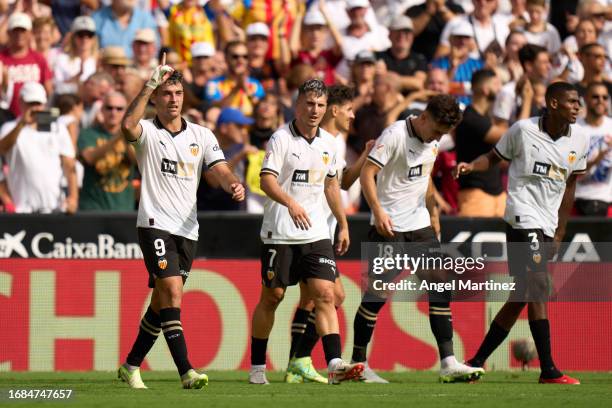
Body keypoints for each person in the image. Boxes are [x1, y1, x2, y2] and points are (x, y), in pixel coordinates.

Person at [118, 63, 245, 389]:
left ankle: (131, 365)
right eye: (166, 94)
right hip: (154, 223)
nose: (173, 99)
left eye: (177, 93)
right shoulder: (148, 131)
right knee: (172, 290)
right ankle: (186, 371)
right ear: (157, 99)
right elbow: (127, 125)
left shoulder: (201, 135)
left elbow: (219, 169)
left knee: (163, 302)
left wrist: (232, 183)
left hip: (188, 229)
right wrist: (148, 85)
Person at [456, 82, 587, 385]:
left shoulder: (579, 140)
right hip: (521, 216)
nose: (577, 107)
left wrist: (560, 231)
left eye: (578, 103)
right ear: (553, 104)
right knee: (539, 285)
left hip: (547, 223)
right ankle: (549, 369)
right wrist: (470, 167)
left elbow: (570, 186)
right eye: (571, 102)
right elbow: (493, 156)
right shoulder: (523, 130)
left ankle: (476, 361)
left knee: (522, 294)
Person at [353, 94, 484, 383]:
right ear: (423, 117)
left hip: (420, 224)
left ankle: (449, 362)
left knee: (439, 285)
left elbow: (424, 180)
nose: (438, 137)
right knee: (377, 295)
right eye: (437, 130)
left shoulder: (432, 141)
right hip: (389, 226)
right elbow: (367, 174)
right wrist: (378, 211)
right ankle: (358, 365)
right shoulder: (395, 135)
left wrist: (433, 215)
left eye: (443, 133)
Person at [249, 79, 363, 385]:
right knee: (272, 297)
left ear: (326, 108)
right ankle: (257, 367)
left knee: (326, 294)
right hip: (281, 232)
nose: (314, 110)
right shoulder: (281, 139)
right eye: (309, 103)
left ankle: (335, 363)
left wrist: (342, 221)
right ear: (298, 104)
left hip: (315, 234)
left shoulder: (329, 143)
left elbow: (330, 185)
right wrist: (290, 203)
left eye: (320, 105)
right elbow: (266, 181)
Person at [284, 84, 375, 384]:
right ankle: (301, 360)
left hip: (321, 229)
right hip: (304, 231)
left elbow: (343, 182)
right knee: (331, 295)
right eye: (349, 110)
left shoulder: (334, 143)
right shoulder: (322, 141)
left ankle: (298, 362)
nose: (352, 116)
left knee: (315, 298)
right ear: (334, 110)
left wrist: (364, 156)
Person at [0, 82, 77, 214]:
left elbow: (69, 166)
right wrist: (22, 124)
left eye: (38, 103)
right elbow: (2, 149)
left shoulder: (58, 128)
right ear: (20, 102)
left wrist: (73, 198)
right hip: (21, 209)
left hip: (54, 208)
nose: (35, 108)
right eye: (31, 103)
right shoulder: (9, 127)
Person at [455, 69, 507, 217]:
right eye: (496, 84)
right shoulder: (470, 118)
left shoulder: (486, 118)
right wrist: (527, 101)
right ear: (485, 89)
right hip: (476, 195)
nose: (500, 88)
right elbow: (510, 136)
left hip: (498, 194)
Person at [79, 92, 136, 211]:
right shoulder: (88, 133)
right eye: (109, 108)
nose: (113, 112)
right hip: (93, 208)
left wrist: (126, 136)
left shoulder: (132, 136)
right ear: (102, 110)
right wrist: (117, 138)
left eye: (119, 109)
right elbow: (89, 158)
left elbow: (138, 162)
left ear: (126, 112)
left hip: (123, 208)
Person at [0, 12, 52, 116]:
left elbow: (49, 90)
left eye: (23, 31)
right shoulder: (1, 59)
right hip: (6, 116)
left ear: (30, 33)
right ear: (9, 33)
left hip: (35, 117)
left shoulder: (39, 59)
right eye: (16, 31)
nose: (19, 35)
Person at [574, 82, 612, 216]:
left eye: (605, 97)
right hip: (578, 200)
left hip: (607, 201)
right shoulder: (574, 129)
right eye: (595, 97)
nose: (600, 101)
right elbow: (572, 171)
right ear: (585, 99)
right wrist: (598, 158)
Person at [204, 40, 265, 117]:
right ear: (226, 59)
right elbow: (215, 108)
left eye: (245, 57)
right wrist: (236, 89)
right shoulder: (213, 84)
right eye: (235, 57)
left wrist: (246, 89)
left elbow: (262, 109)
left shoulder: (255, 84)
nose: (240, 60)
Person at [375, 15, 427, 94]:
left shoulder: (419, 59)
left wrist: (388, 76)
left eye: (406, 32)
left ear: (412, 36)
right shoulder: (378, 56)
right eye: (398, 31)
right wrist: (408, 81)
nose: (401, 36)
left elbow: (418, 83)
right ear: (389, 35)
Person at [92, 0, 159, 59]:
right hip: (106, 71)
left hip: (141, 71)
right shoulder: (97, 20)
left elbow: (156, 51)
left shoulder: (146, 19)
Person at [53, 16, 98, 95]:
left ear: (94, 38)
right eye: (81, 35)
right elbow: (57, 87)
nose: (85, 39)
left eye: (89, 35)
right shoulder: (61, 59)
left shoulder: (98, 61)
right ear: (73, 37)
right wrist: (77, 77)